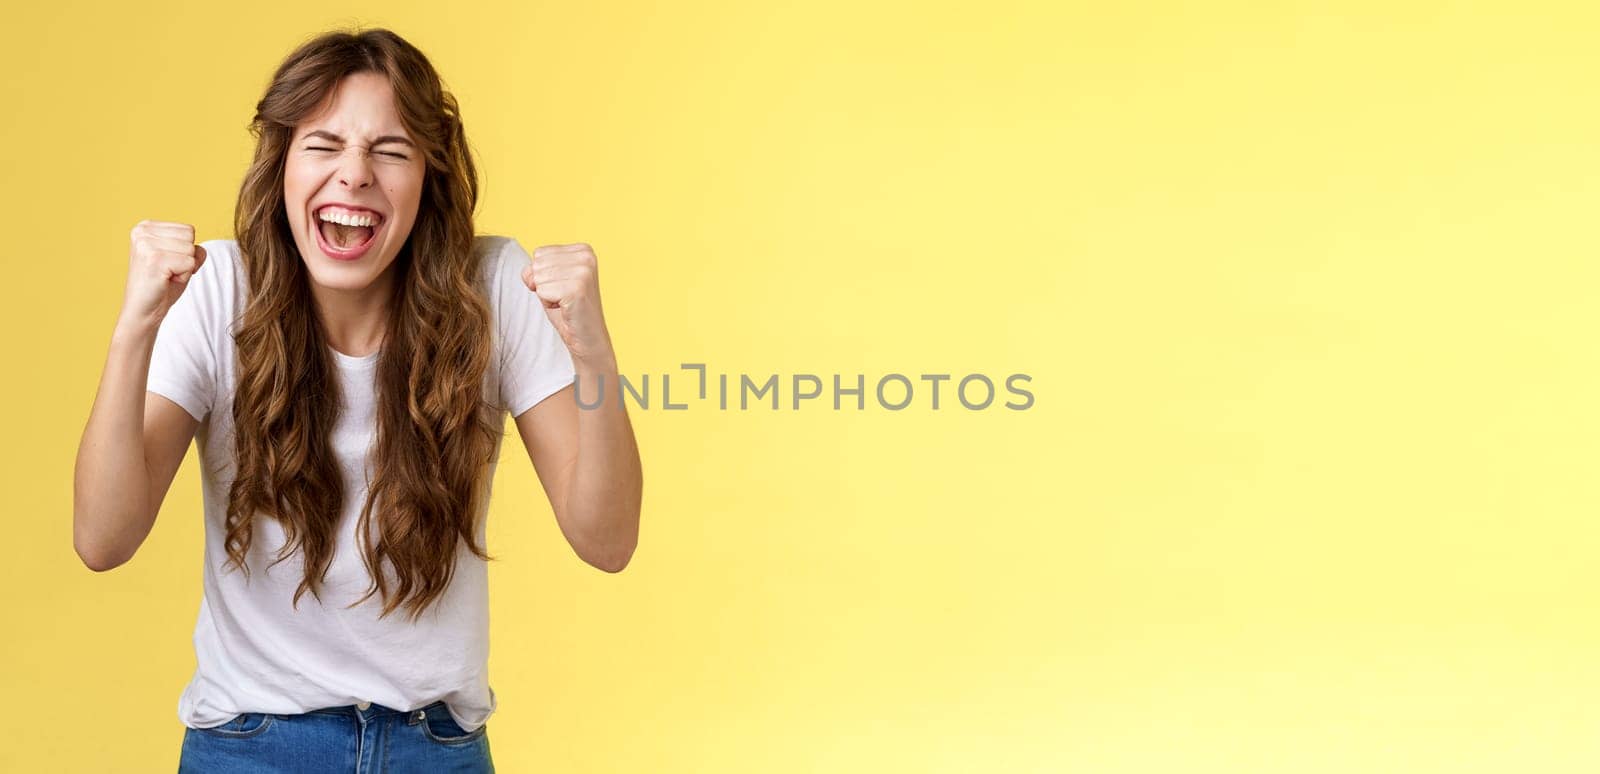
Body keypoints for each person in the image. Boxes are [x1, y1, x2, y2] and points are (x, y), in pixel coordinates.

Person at [71, 27, 643, 773]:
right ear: (281, 166)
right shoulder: (220, 290)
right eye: (323, 145)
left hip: (435, 748)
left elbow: (608, 541)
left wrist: (593, 351)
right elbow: (103, 540)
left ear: (428, 179)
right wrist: (134, 330)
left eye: (391, 151)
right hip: (249, 746)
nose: (354, 175)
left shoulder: (493, 287)